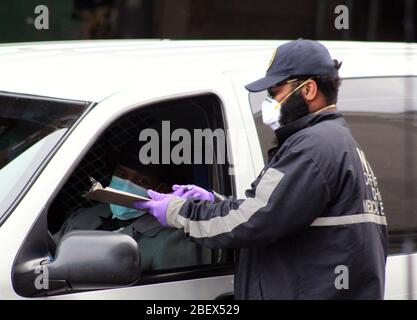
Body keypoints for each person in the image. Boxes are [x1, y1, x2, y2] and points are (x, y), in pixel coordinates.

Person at [135, 39, 388, 299]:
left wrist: (181, 212)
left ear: (309, 89)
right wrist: (214, 201)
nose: (270, 101)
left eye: (276, 91)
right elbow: (275, 211)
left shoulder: (313, 147)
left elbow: (256, 221)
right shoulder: (333, 141)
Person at [54, 151, 211, 272]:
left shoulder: (172, 239)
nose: (126, 184)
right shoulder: (83, 217)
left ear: (161, 189)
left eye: (141, 180)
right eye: (122, 175)